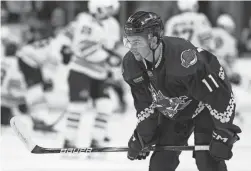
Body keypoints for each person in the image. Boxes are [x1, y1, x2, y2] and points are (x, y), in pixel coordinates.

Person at [122, 11, 241, 171]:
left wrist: (224, 133)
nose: (131, 48)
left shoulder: (184, 59)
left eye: (136, 42)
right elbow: (146, 105)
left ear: (153, 39)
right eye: (128, 42)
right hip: (175, 110)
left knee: (207, 161)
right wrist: (142, 137)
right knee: (160, 165)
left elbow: (218, 95)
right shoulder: (131, 64)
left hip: (204, 106)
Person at [62, 0, 122, 152]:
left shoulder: (112, 24)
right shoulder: (84, 21)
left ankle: (97, 139)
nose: (110, 11)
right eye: (108, 7)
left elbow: (112, 47)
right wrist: (108, 57)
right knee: (77, 106)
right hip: (80, 71)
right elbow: (84, 48)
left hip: (100, 73)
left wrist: (113, 61)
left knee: (105, 106)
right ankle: (69, 140)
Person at [16, 32, 72, 132]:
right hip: (29, 61)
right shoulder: (57, 52)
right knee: (36, 90)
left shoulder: (57, 43)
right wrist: (48, 80)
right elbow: (50, 66)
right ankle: (38, 119)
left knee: (36, 90)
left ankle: (37, 117)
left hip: (27, 57)